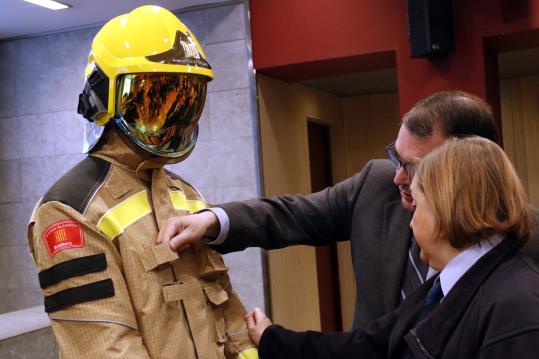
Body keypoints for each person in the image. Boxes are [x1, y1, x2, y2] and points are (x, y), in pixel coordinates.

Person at [158, 90, 539, 328]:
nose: (399, 179)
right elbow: (293, 214)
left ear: (469, 164)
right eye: (396, 157)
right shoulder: (376, 185)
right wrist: (212, 220)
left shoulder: (526, 238)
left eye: (416, 168)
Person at [27, 6, 257, 359]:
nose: (174, 119)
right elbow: (106, 348)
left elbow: (227, 315)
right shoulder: (70, 209)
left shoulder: (186, 195)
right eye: (155, 101)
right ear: (105, 97)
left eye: (185, 101)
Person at [244, 137, 539, 359]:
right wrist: (273, 339)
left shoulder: (515, 306)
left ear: (446, 212)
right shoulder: (444, 286)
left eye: (418, 206)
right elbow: (368, 346)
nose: (410, 222)